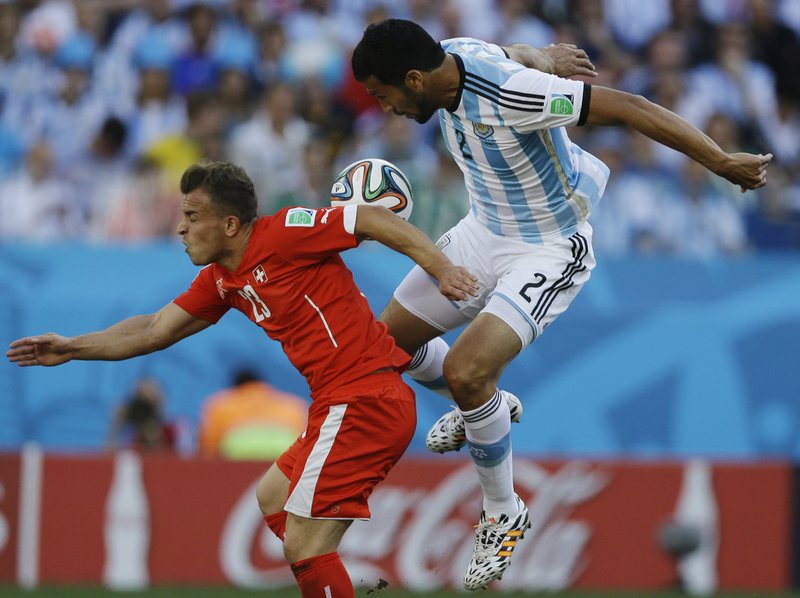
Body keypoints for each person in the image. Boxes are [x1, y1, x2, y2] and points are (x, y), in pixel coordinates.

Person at [350, 18, 772, 591]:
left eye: (384, 96)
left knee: (466, 369)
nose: (386, 109)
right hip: (482, 231)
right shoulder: (457, 53)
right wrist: (543, 53)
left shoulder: (509, 94)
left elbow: (629, 106)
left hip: (546, 247)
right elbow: (511, 49)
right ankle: (485, 408)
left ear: (414, 79)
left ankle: (503, 512)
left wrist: (719, 161)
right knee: (383, 346)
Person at [6, 160, 478, 598]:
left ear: (230, 225)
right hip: (337, 404)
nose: (179, 227)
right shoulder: (219, 281)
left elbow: (370, 219)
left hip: (363, 400)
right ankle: (333, 577)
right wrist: (71, 347)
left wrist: (442, 270)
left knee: (304, 547)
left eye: (191, 215)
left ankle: (325, 568)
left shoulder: (285, 234)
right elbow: (153, 330)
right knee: (272, 497)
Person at [198, 367, 308, 460]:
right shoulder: (294, 404)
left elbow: (208, 447)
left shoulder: (220, 404)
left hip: (238, 453)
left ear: (234, 387)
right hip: (284, 450)